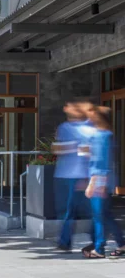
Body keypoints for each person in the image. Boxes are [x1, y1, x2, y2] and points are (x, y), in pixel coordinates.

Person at [83, 105, 125, 259]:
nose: (88, 119)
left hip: (99, 180)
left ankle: (99, 249)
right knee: (106, 215)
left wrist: (93, 183)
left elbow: (101, 162)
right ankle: (121, 243)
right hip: (102, 180)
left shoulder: (101, 136)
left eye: (91, 116)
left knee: (98, 216)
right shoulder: (104, 135)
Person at [53, 102, 94, 252]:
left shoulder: (89, 127)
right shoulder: (64, 127)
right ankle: (64, 242)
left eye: (71, 106)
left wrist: (86, 178)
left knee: (92, 211)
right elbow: (56, 148)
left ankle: (98, 241)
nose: (67, 108)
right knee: (67, 211)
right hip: (64, 176)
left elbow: (89, 152)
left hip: (82, 176)